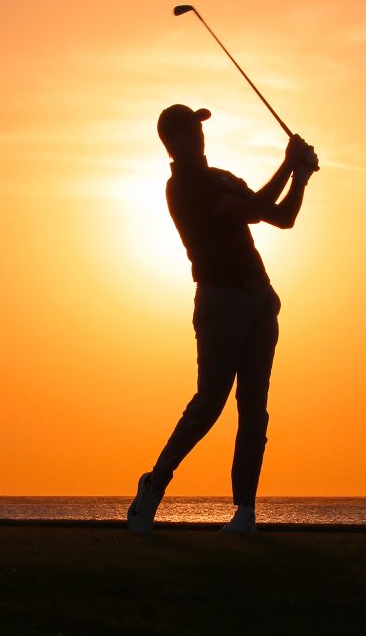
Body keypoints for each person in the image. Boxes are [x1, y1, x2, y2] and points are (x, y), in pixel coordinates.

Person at [128, 104, 318, 533]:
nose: (200, 134)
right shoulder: (184, 186)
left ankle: (245, 512)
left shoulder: (223, 177)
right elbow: (250, 211)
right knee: (208, 405)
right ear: (173, 140)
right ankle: (154, 485)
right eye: (191, 129)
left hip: (260, 300)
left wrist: (300, 177)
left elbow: (282, 217)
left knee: (255, 410)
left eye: (200, 127)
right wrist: (288, 163)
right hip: (220, 302)